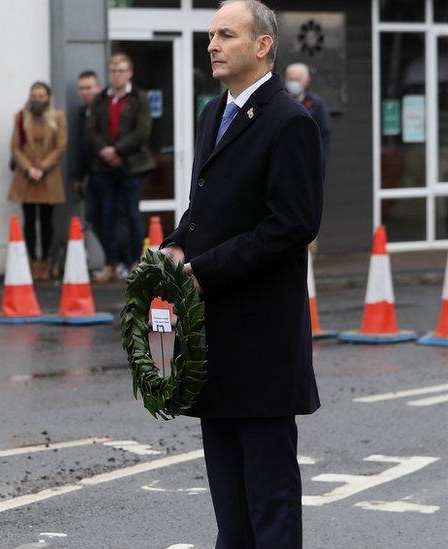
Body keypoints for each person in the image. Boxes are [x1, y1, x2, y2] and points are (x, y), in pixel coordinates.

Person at [159, 1, 323, 547]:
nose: (212, 44)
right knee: (230, 513)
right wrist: (176, 249)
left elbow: (291, 224)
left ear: (262, 45)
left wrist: (204, 273)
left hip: (262, 347)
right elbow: (203, 207)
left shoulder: (290, 120)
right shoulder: (213, 112)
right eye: (211, 35)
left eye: (226, 35)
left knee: (270, 507)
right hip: (214, 342)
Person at [87, 53, 155, 283]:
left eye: (121, 71)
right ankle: (111, 264)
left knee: (132, 213)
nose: (116, 75)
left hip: (132, 165)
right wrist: (105, 151)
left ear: (130, 73)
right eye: (113, 71)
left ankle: (136, 262)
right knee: (107, 215)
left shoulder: (139, 98)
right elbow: (91, 130)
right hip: (103, 167)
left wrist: (117, 150)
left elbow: (142, 132)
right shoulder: (99, 99)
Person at [8, 81, 68, 281]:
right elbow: (15, 147)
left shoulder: (58, 117)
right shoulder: (21, 117)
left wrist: (41, 168)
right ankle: (31, 260)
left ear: (48, 97)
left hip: (48, 176)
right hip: (27, 177)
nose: (37, 99)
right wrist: (29, 169)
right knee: (29, 221)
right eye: (34, 95)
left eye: (41, 96)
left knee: (46, 221)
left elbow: (60, 147)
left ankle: (45, 262)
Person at [69, 70, 102, 234]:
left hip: (108, 172)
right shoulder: (82, 113)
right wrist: (77, 175)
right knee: (92, 218)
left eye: (88, 87)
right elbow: (80, 145)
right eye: (81, 88)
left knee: (111, 217)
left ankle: (123, 258)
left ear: (98, 87)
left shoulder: (105, 109)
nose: (84, 92)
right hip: (91, 174)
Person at [285, 62, 330, 162]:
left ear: (307, 81)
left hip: (308, 159)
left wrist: (320, 161)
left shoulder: (316, 104)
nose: (293, 83)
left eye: (297, 79)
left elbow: (324, 135)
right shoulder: (279, 101)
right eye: (291, 79)